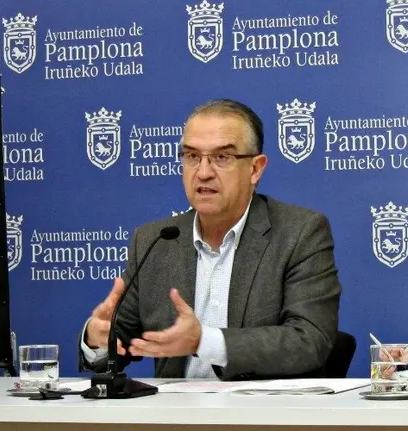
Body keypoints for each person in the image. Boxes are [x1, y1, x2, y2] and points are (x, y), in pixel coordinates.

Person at [78, 99, 342, 380]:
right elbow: (118, 343)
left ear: (255, 169)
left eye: (222, 157)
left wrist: (204, 342)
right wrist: (96, 338)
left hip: (261, 407)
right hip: (175, 408)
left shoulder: (299, 233)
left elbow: (309, 340)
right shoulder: (155, 241)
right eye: (192, 156)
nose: (203, 173)